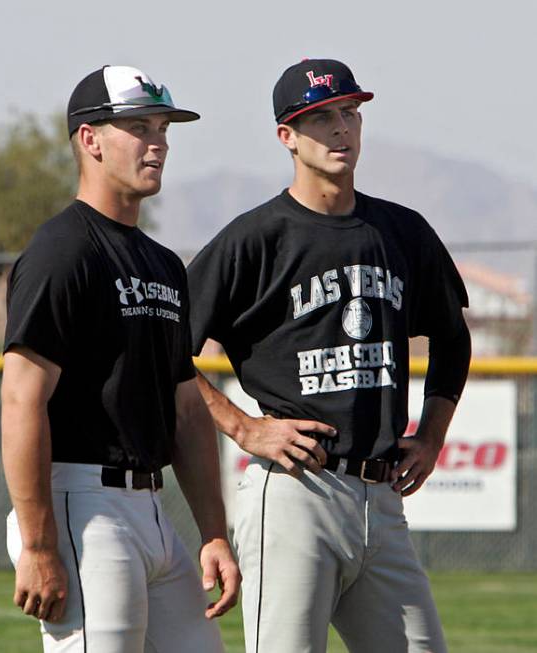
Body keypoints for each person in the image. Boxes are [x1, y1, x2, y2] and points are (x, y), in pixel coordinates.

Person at [186, 58, 470, 653]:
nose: (342, 128)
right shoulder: (255, 238)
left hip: (382, 494)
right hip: (295, 493)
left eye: (350, 113)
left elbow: (452, 336)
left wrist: (434, 433)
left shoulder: (402, 230)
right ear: (287, 137)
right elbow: (162, 350)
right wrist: (244, 427)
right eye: (320, 118)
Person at [1, 64, 240, 652]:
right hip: (83, 504)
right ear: (91, 139)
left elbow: (186, 409)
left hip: (153, 510)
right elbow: (20, 397)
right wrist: (37, 546)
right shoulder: (63, 251)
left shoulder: (162, 264)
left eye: (162, 127)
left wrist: (213, 531)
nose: (157, 141)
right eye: (138, 126)